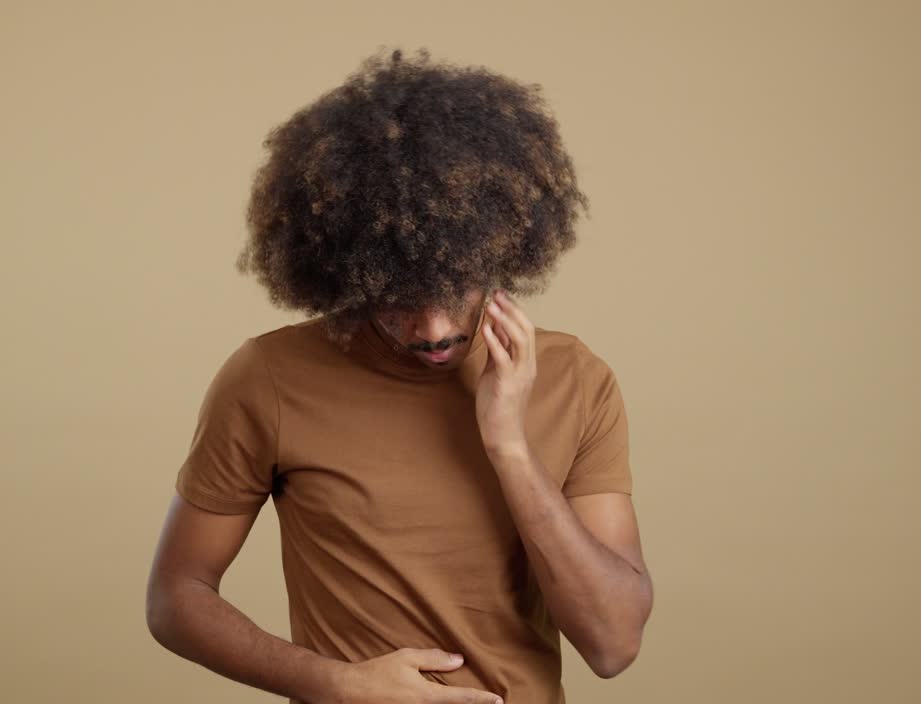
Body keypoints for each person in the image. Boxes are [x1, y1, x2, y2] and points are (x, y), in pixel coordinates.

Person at [145, 46, 653, 704]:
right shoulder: (268, 379)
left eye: (458, 289)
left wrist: (508, 446)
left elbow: (613, 645)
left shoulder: (576, 380)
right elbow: (175, 598)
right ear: (345, 276)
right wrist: (332, 683)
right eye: (398, 300)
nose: (435, 330)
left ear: (503, 249)